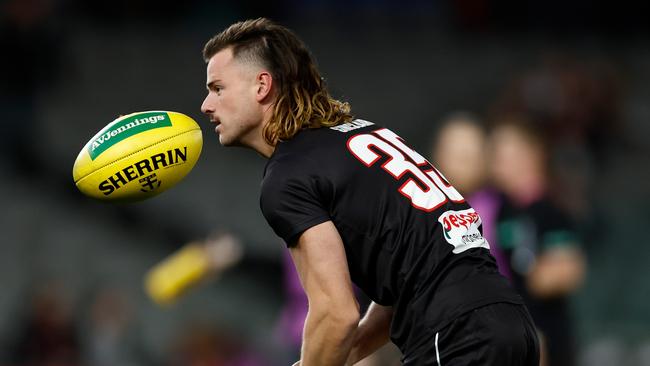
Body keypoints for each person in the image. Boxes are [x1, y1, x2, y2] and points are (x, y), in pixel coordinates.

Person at [199, 18, 539, 365]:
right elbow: (402, 284)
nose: (206, 105)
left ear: (262, 85)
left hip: (454, 336)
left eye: (218, 88)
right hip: (510, 325)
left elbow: (337, 313)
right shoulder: (364, 137)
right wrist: (341, 355)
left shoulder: (288, 174)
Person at [489, 119, 586, 366]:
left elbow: (567, 270)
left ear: (532, 154)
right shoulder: (501, 210)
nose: (496, 163)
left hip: (545, 338)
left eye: (503, 154)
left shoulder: (551, 210)